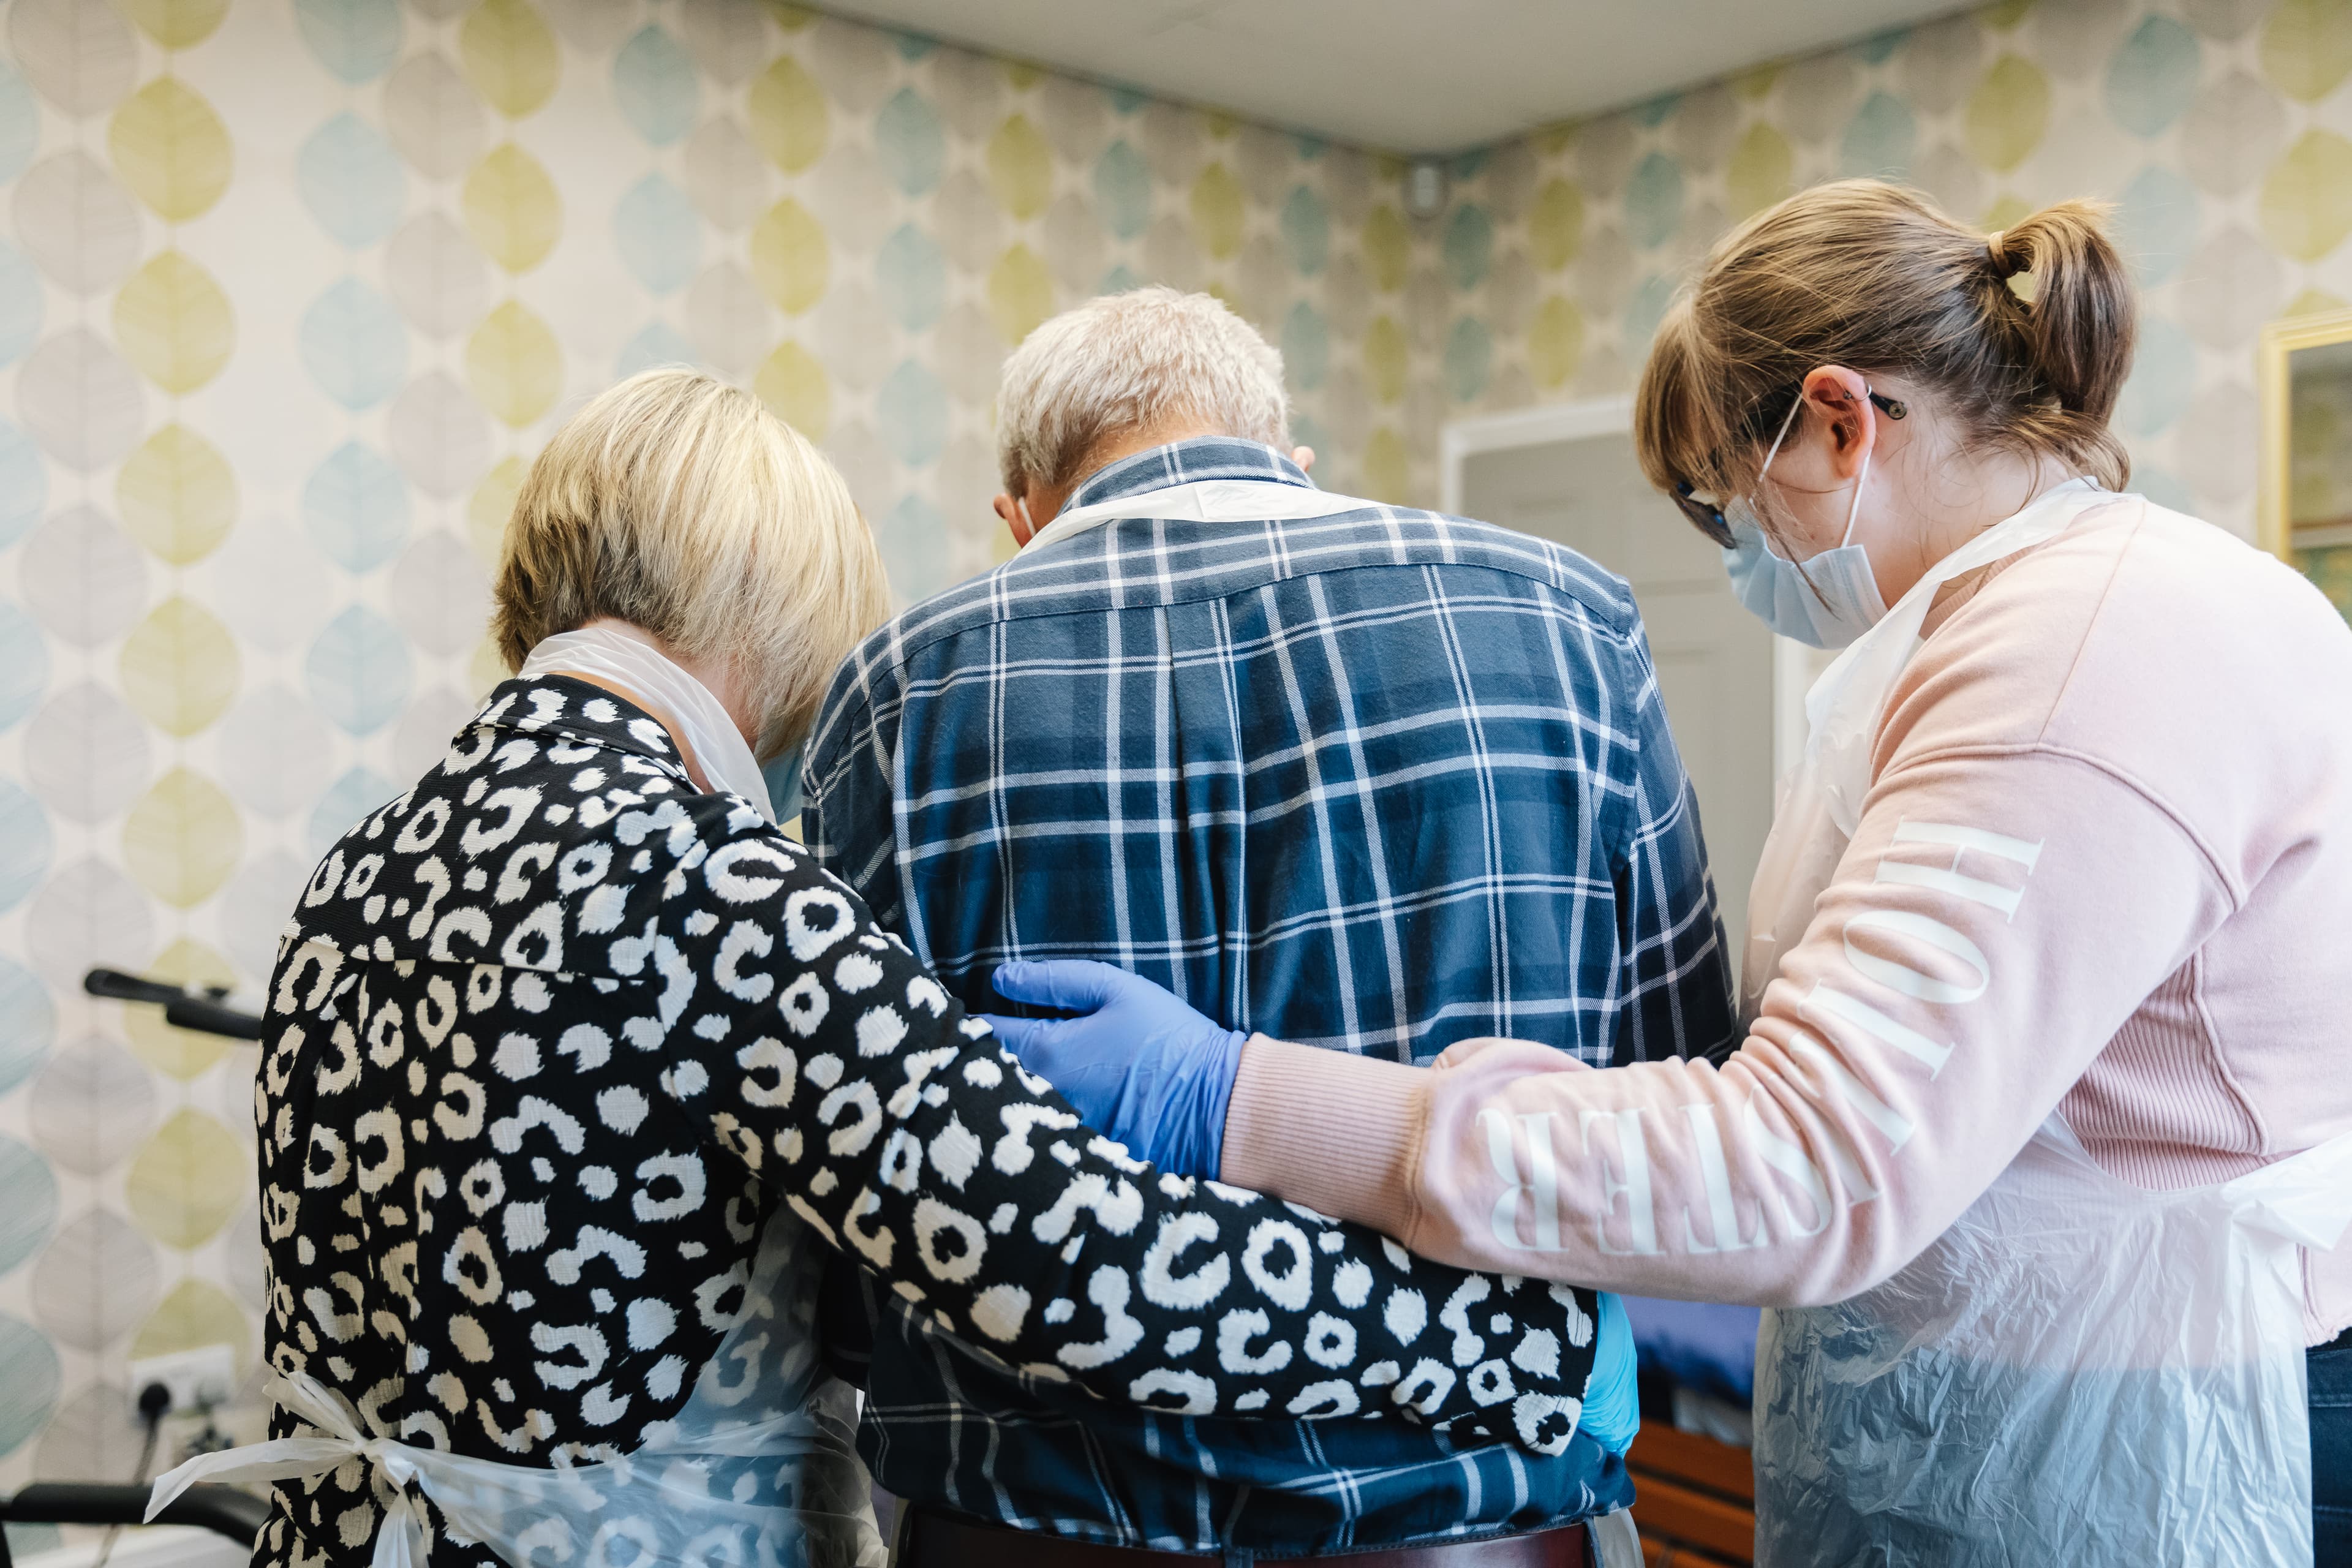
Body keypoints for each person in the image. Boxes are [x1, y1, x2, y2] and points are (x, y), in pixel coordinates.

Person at [980, 186, 2352, 1567]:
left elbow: (1803, 1156)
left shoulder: (2092, 656)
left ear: (1838, 421)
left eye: (1720, 505)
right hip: (2012, 1386)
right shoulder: (1983, 637)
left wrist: (1239, 1097)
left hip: (2180, 1421)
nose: (1737, 559)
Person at [145, 369, 1616, 1568]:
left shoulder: (364, 863)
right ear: (774, 614)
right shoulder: (707, 883)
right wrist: (1509, 1330)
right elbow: (1074, 1265)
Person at [801, 286, 1735, 1564]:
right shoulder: (1575, 623)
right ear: (1296, 465)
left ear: (1022, 513)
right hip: (1478, 1511)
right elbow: (1679, 1090)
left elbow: (846, 1175)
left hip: (1031, 1517)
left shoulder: (898, 695)